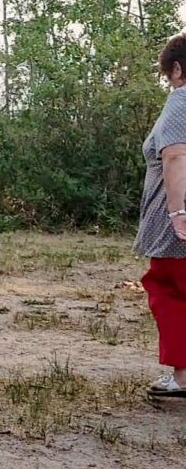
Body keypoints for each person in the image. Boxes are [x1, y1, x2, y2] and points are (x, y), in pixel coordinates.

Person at [136, 32, 186, 398]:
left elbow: (175, 154)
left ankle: (184, 376)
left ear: (178, 69)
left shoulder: (181, 101)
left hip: (175, 224)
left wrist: (178, 212)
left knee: (170, 289)